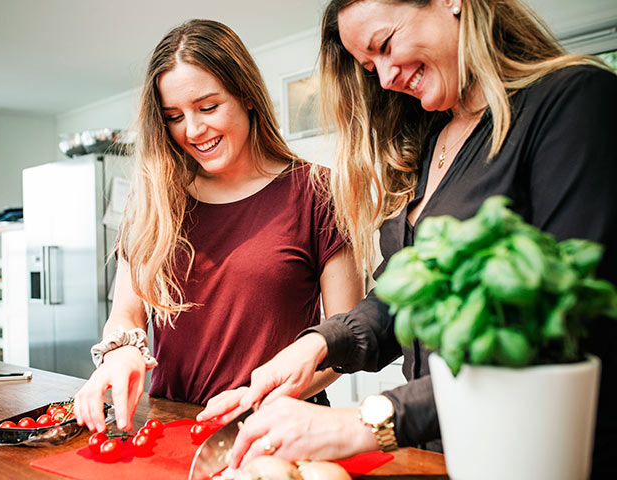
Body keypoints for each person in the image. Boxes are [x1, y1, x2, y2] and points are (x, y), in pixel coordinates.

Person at [198, 0, 617, 477]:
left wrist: (362, 423)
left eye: (384, 45)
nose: (384, 78)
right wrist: (315, 345)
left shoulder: (576, 102)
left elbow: (571, 330)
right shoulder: (433, 139)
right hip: (438, 453)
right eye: (368, 65)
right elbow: (406, 295)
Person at [73, 19, 364, 434]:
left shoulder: (318, 191)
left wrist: (259, 397)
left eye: (208, 107)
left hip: (282, 424)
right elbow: (126, 312)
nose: (193, 131)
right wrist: (121, 351)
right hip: (172, 426)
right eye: (174, 116)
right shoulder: (155, 200)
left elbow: (345, 339)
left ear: (246, 95)